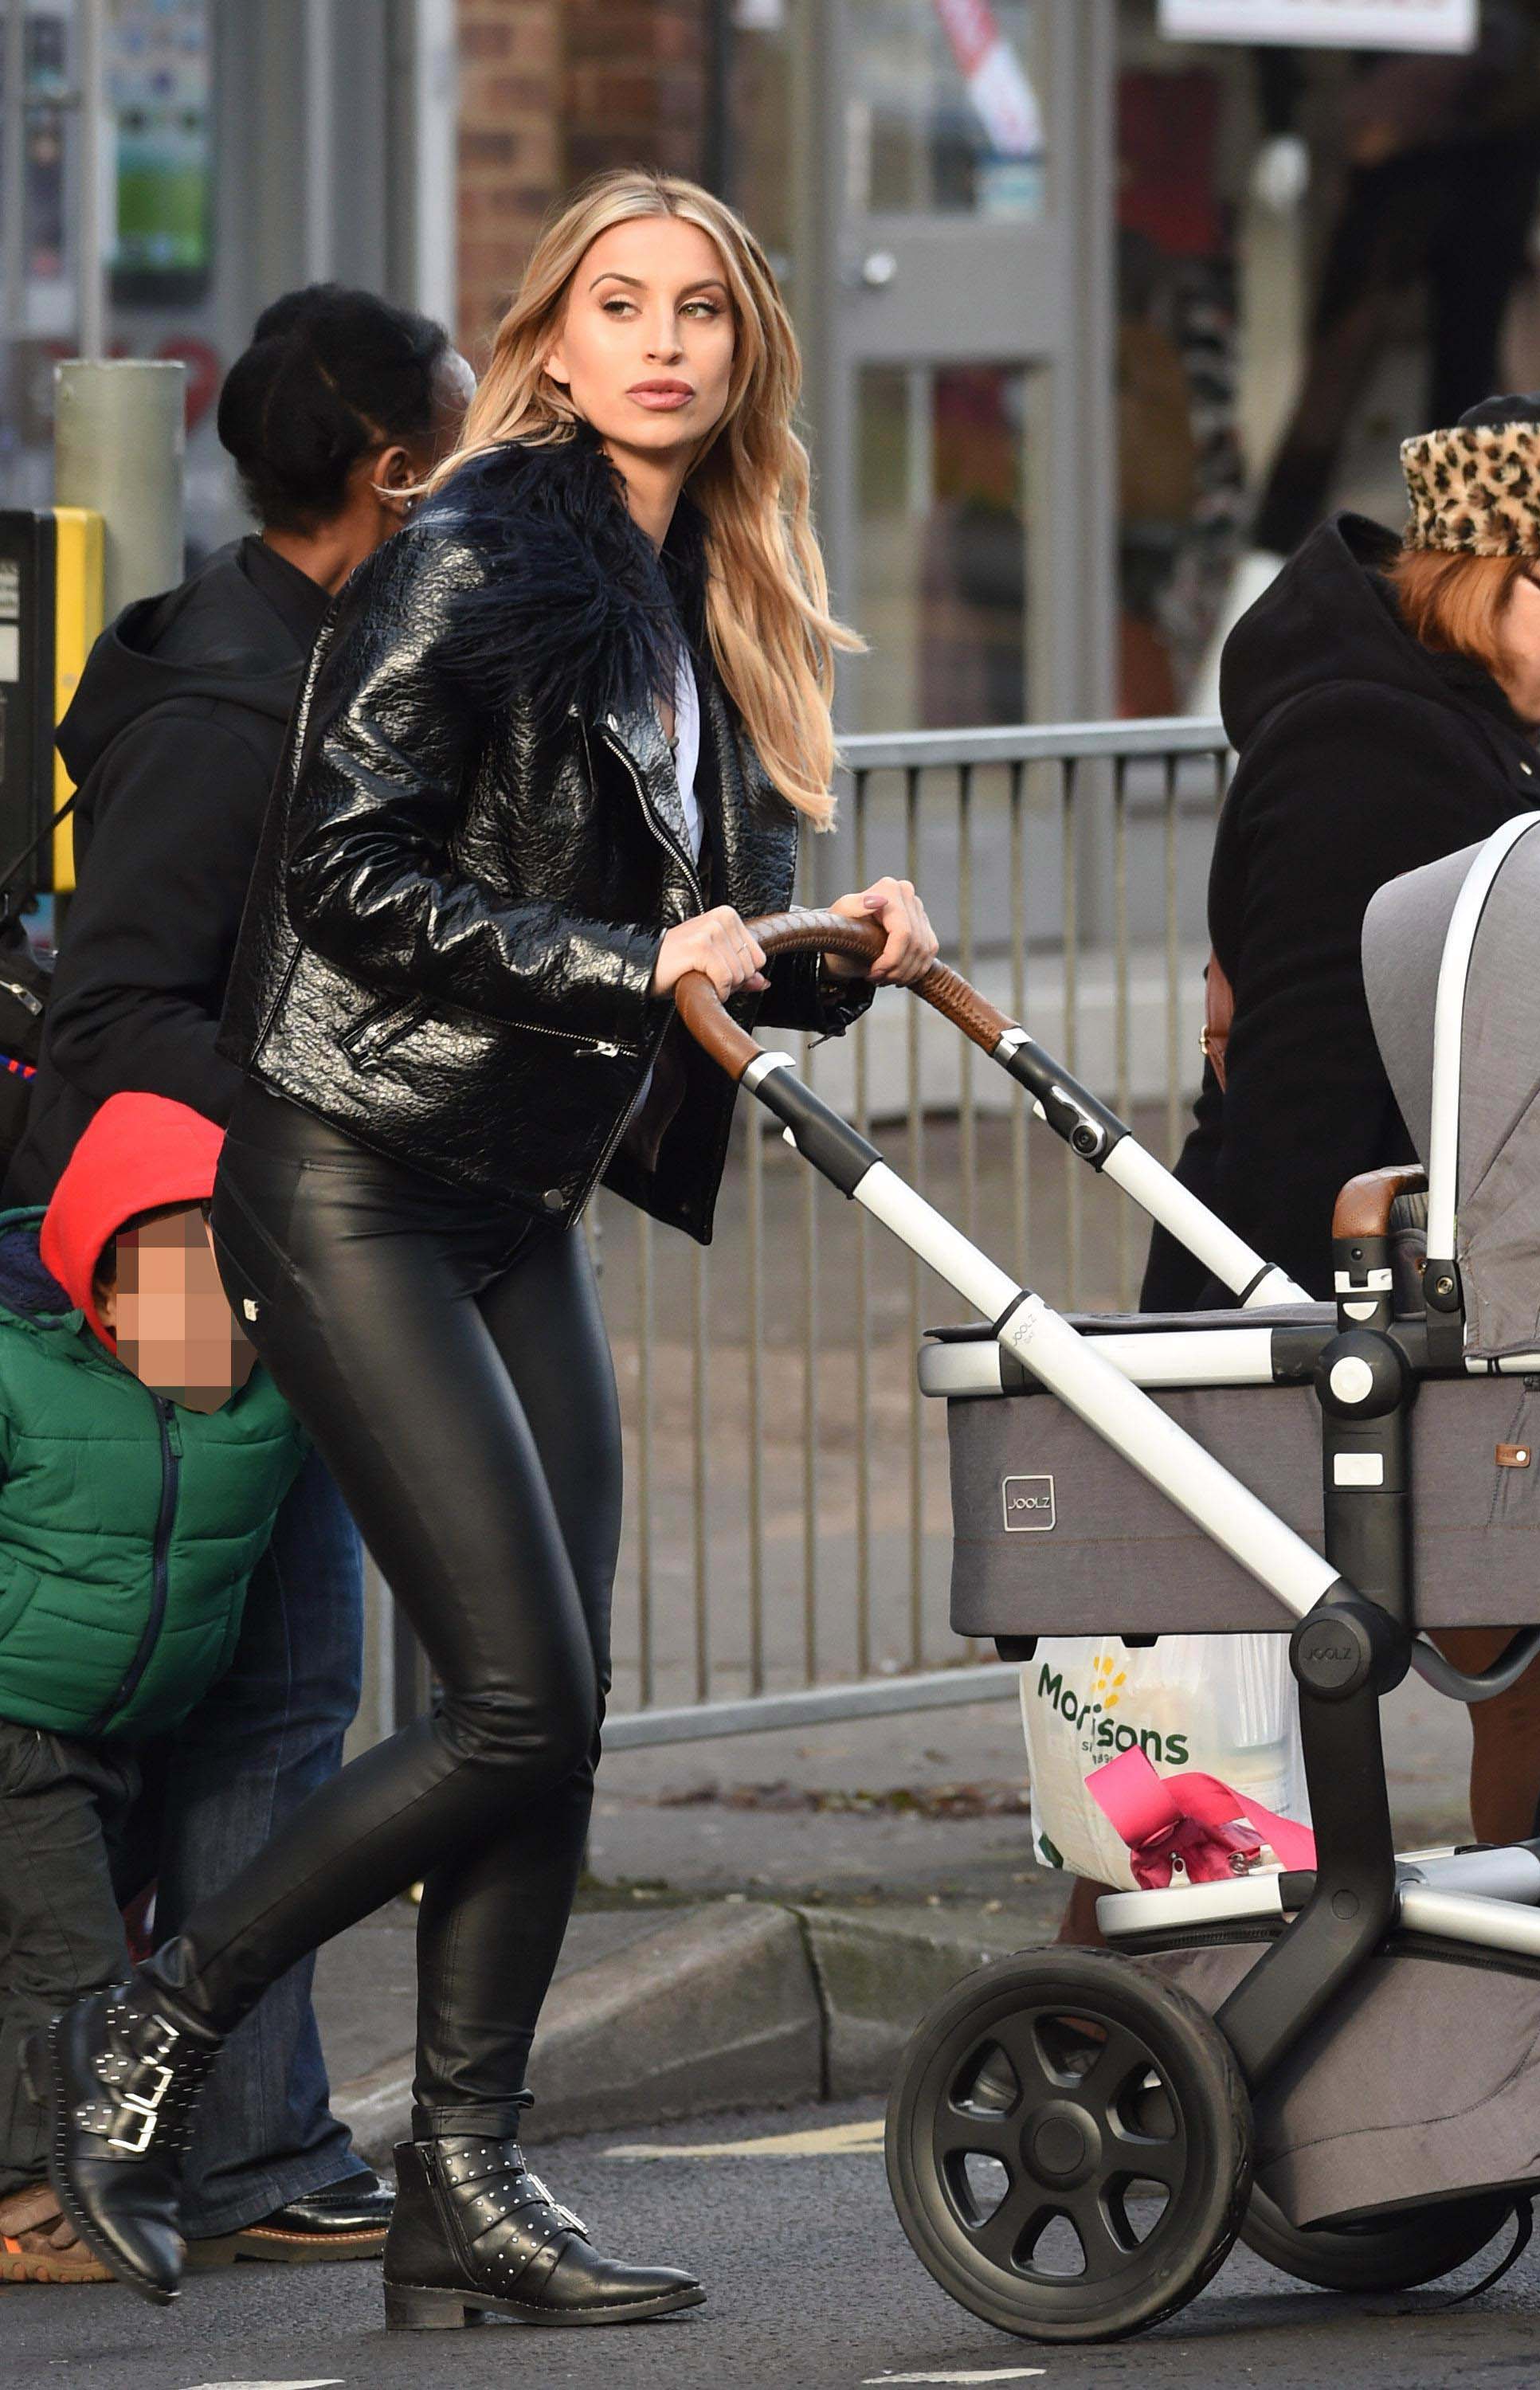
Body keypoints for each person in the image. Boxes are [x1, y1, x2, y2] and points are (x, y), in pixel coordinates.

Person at [38, 167, 938, 2328]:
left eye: (699, 313)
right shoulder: (478, 545)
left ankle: (464, 2187)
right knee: (513, 1701)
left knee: (559, 1712)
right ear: (547, 340)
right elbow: (345, 882)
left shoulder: (695, 576)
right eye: (617, 305)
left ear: (742, 356)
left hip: (511, 1194)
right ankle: (158, 2020)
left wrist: (834, 953)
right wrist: (640, 955)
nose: (660, 343)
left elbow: (687, 964)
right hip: (347, 1168)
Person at [4, 286, 472, 2266]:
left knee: (280, 1712)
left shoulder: (321, 660)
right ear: (388, 472)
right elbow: (117, 1011)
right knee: (186, 1717)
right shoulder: (227, 704)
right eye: (461, 450)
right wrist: (337, 1110)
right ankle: (172, 2150)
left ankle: (254, 2149)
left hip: (245, 1243)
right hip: (164, 1267)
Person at [1144, 384, 1540, 1854]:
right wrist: (1354, 1325)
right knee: (1228, 1766)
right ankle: (1127, 2034)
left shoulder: (1521, 720)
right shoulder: (1362, 746)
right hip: (1323, 1303)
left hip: (1449, 1295)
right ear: (1469, 570)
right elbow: (1309, 1090)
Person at [0, 1094, 306, 2285]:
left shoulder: (278, 1389)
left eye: (227, 1284)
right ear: (102, 1299)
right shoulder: (26, 1378)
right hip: (17, 1722)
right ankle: (37, 2197)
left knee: (59, 1947)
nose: (206, 1320)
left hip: (131, 1730)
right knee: (69, 1966)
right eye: (163, 1290)